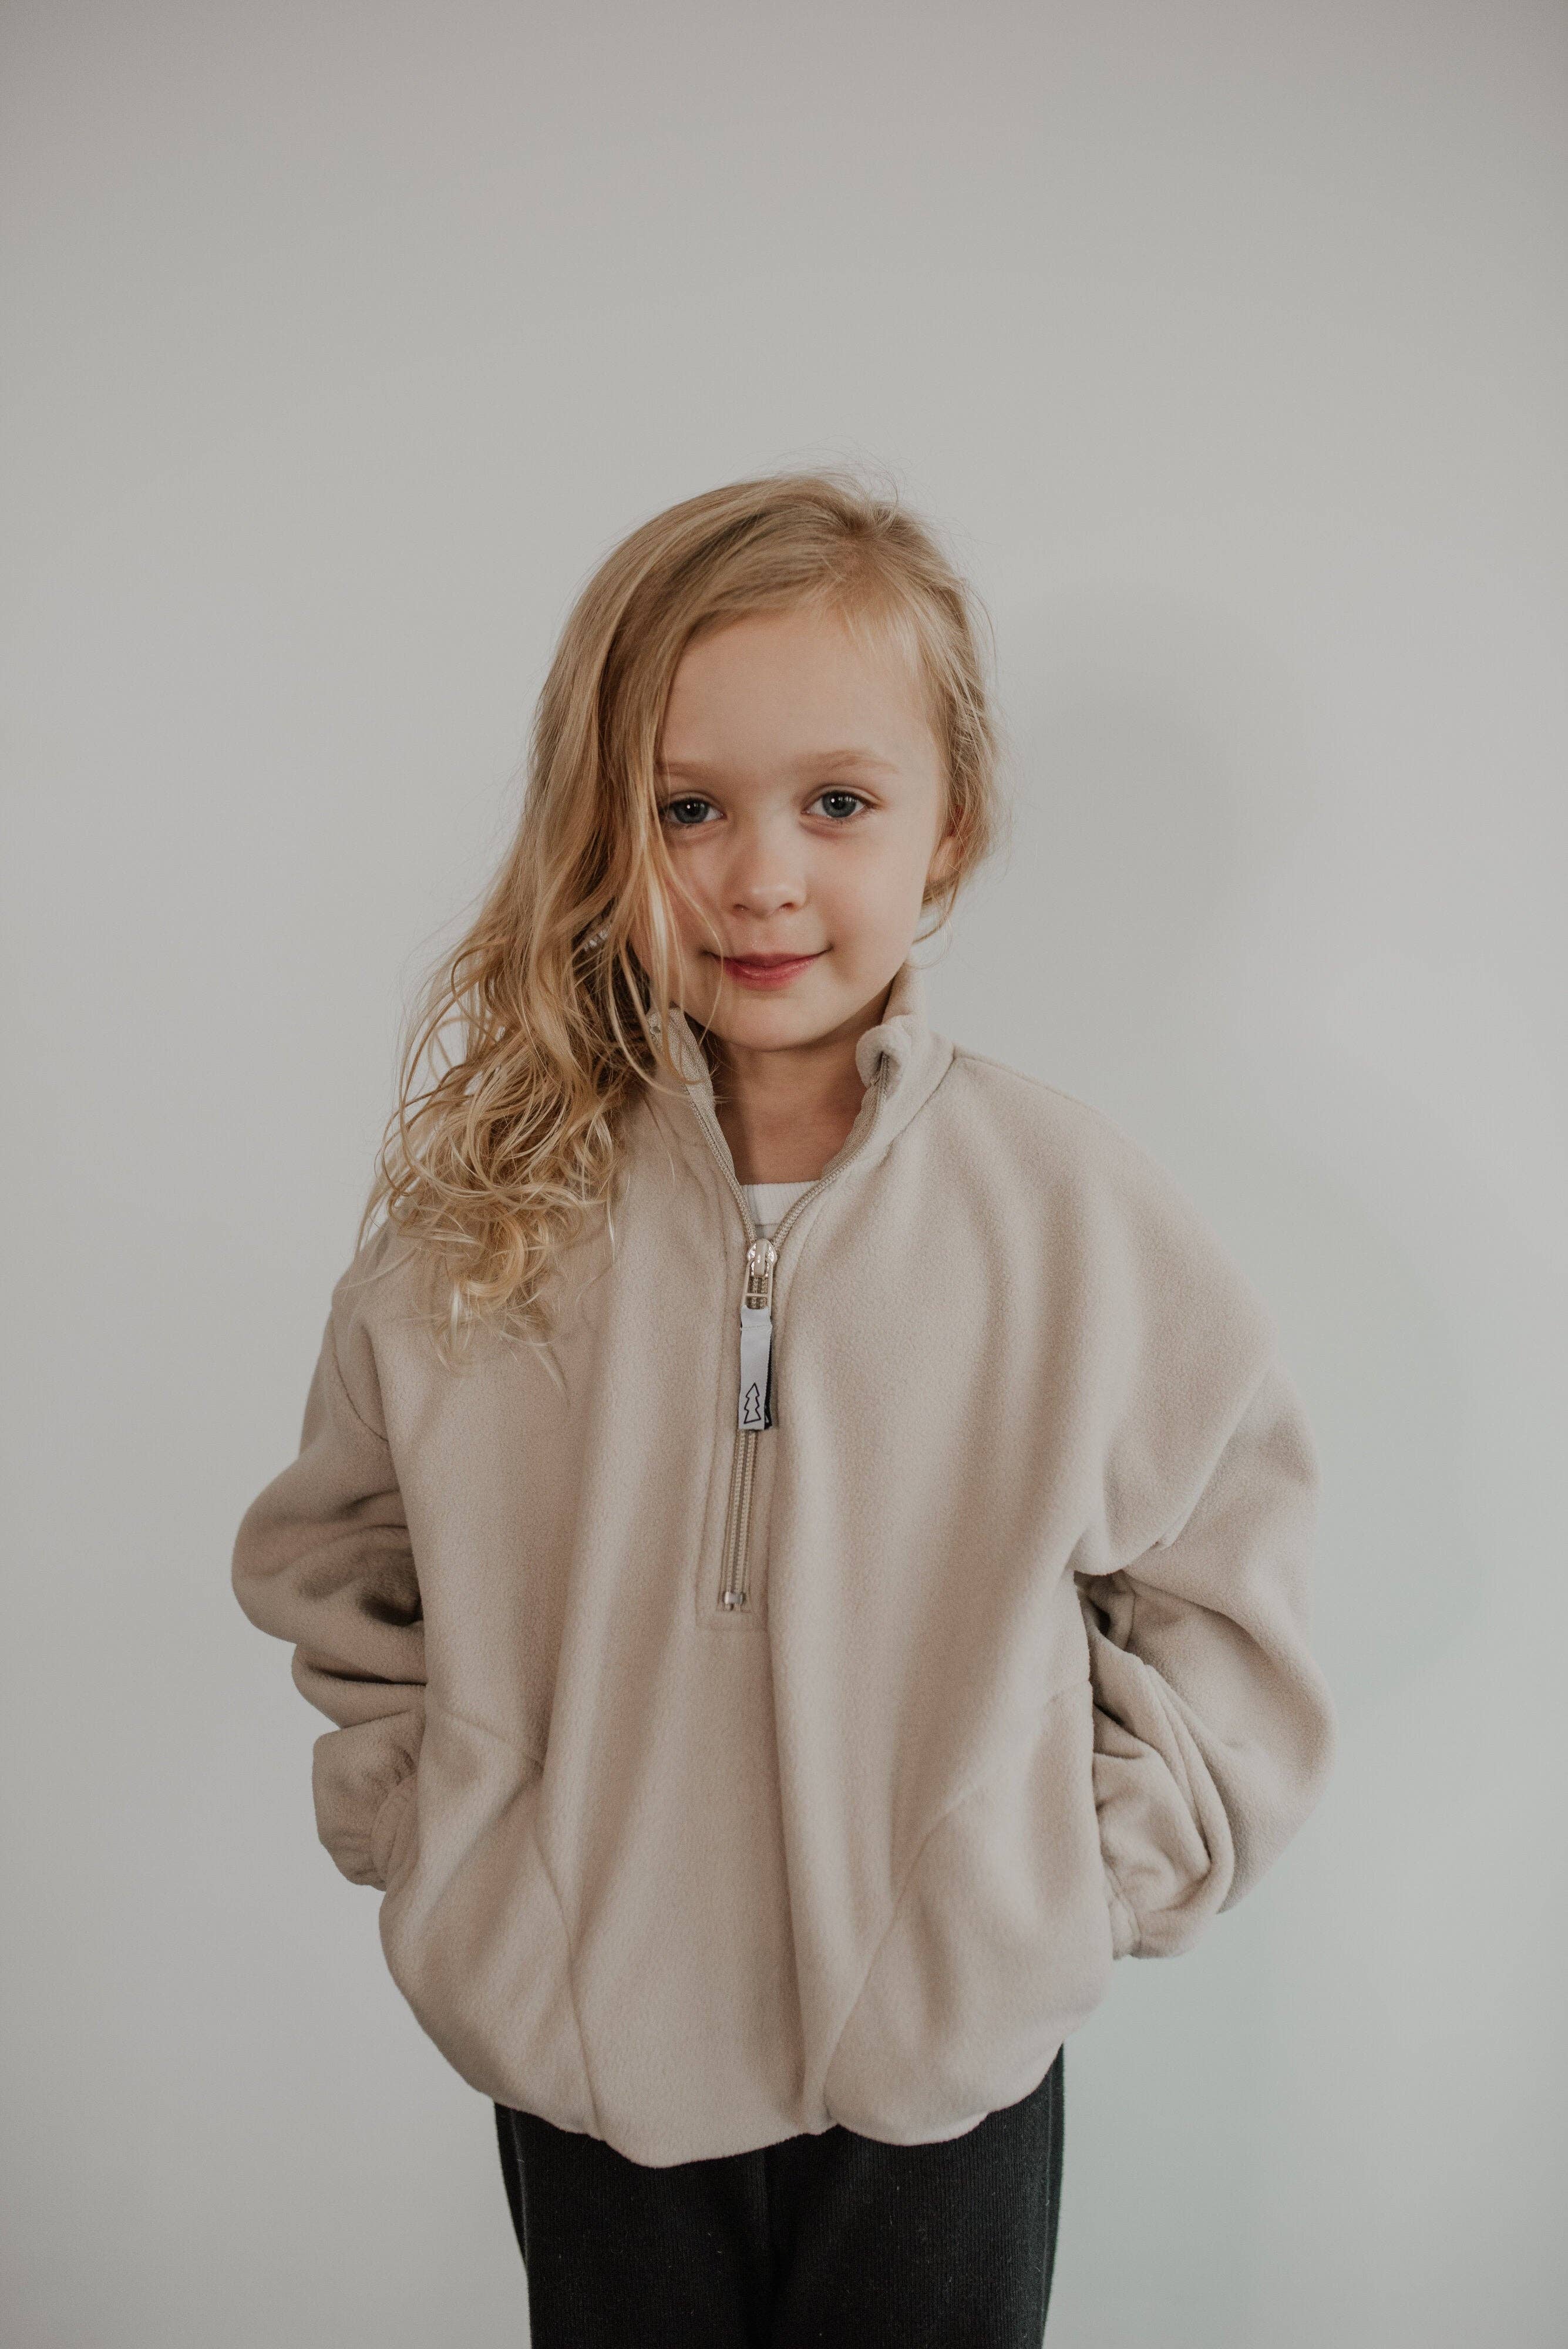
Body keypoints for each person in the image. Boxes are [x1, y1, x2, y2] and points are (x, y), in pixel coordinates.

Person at [231, 466, 1337, 2345]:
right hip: (583, 2047)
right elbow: (341, 1560)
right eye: (689, 808)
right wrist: (449, 1838)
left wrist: (1075, 1880)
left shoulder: (1067, 1218)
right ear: (602, 823)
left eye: (837, 803)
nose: (761, 876)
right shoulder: (483, 1222)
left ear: (949, 824)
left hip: (948, 2070)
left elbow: (1231, 1574)